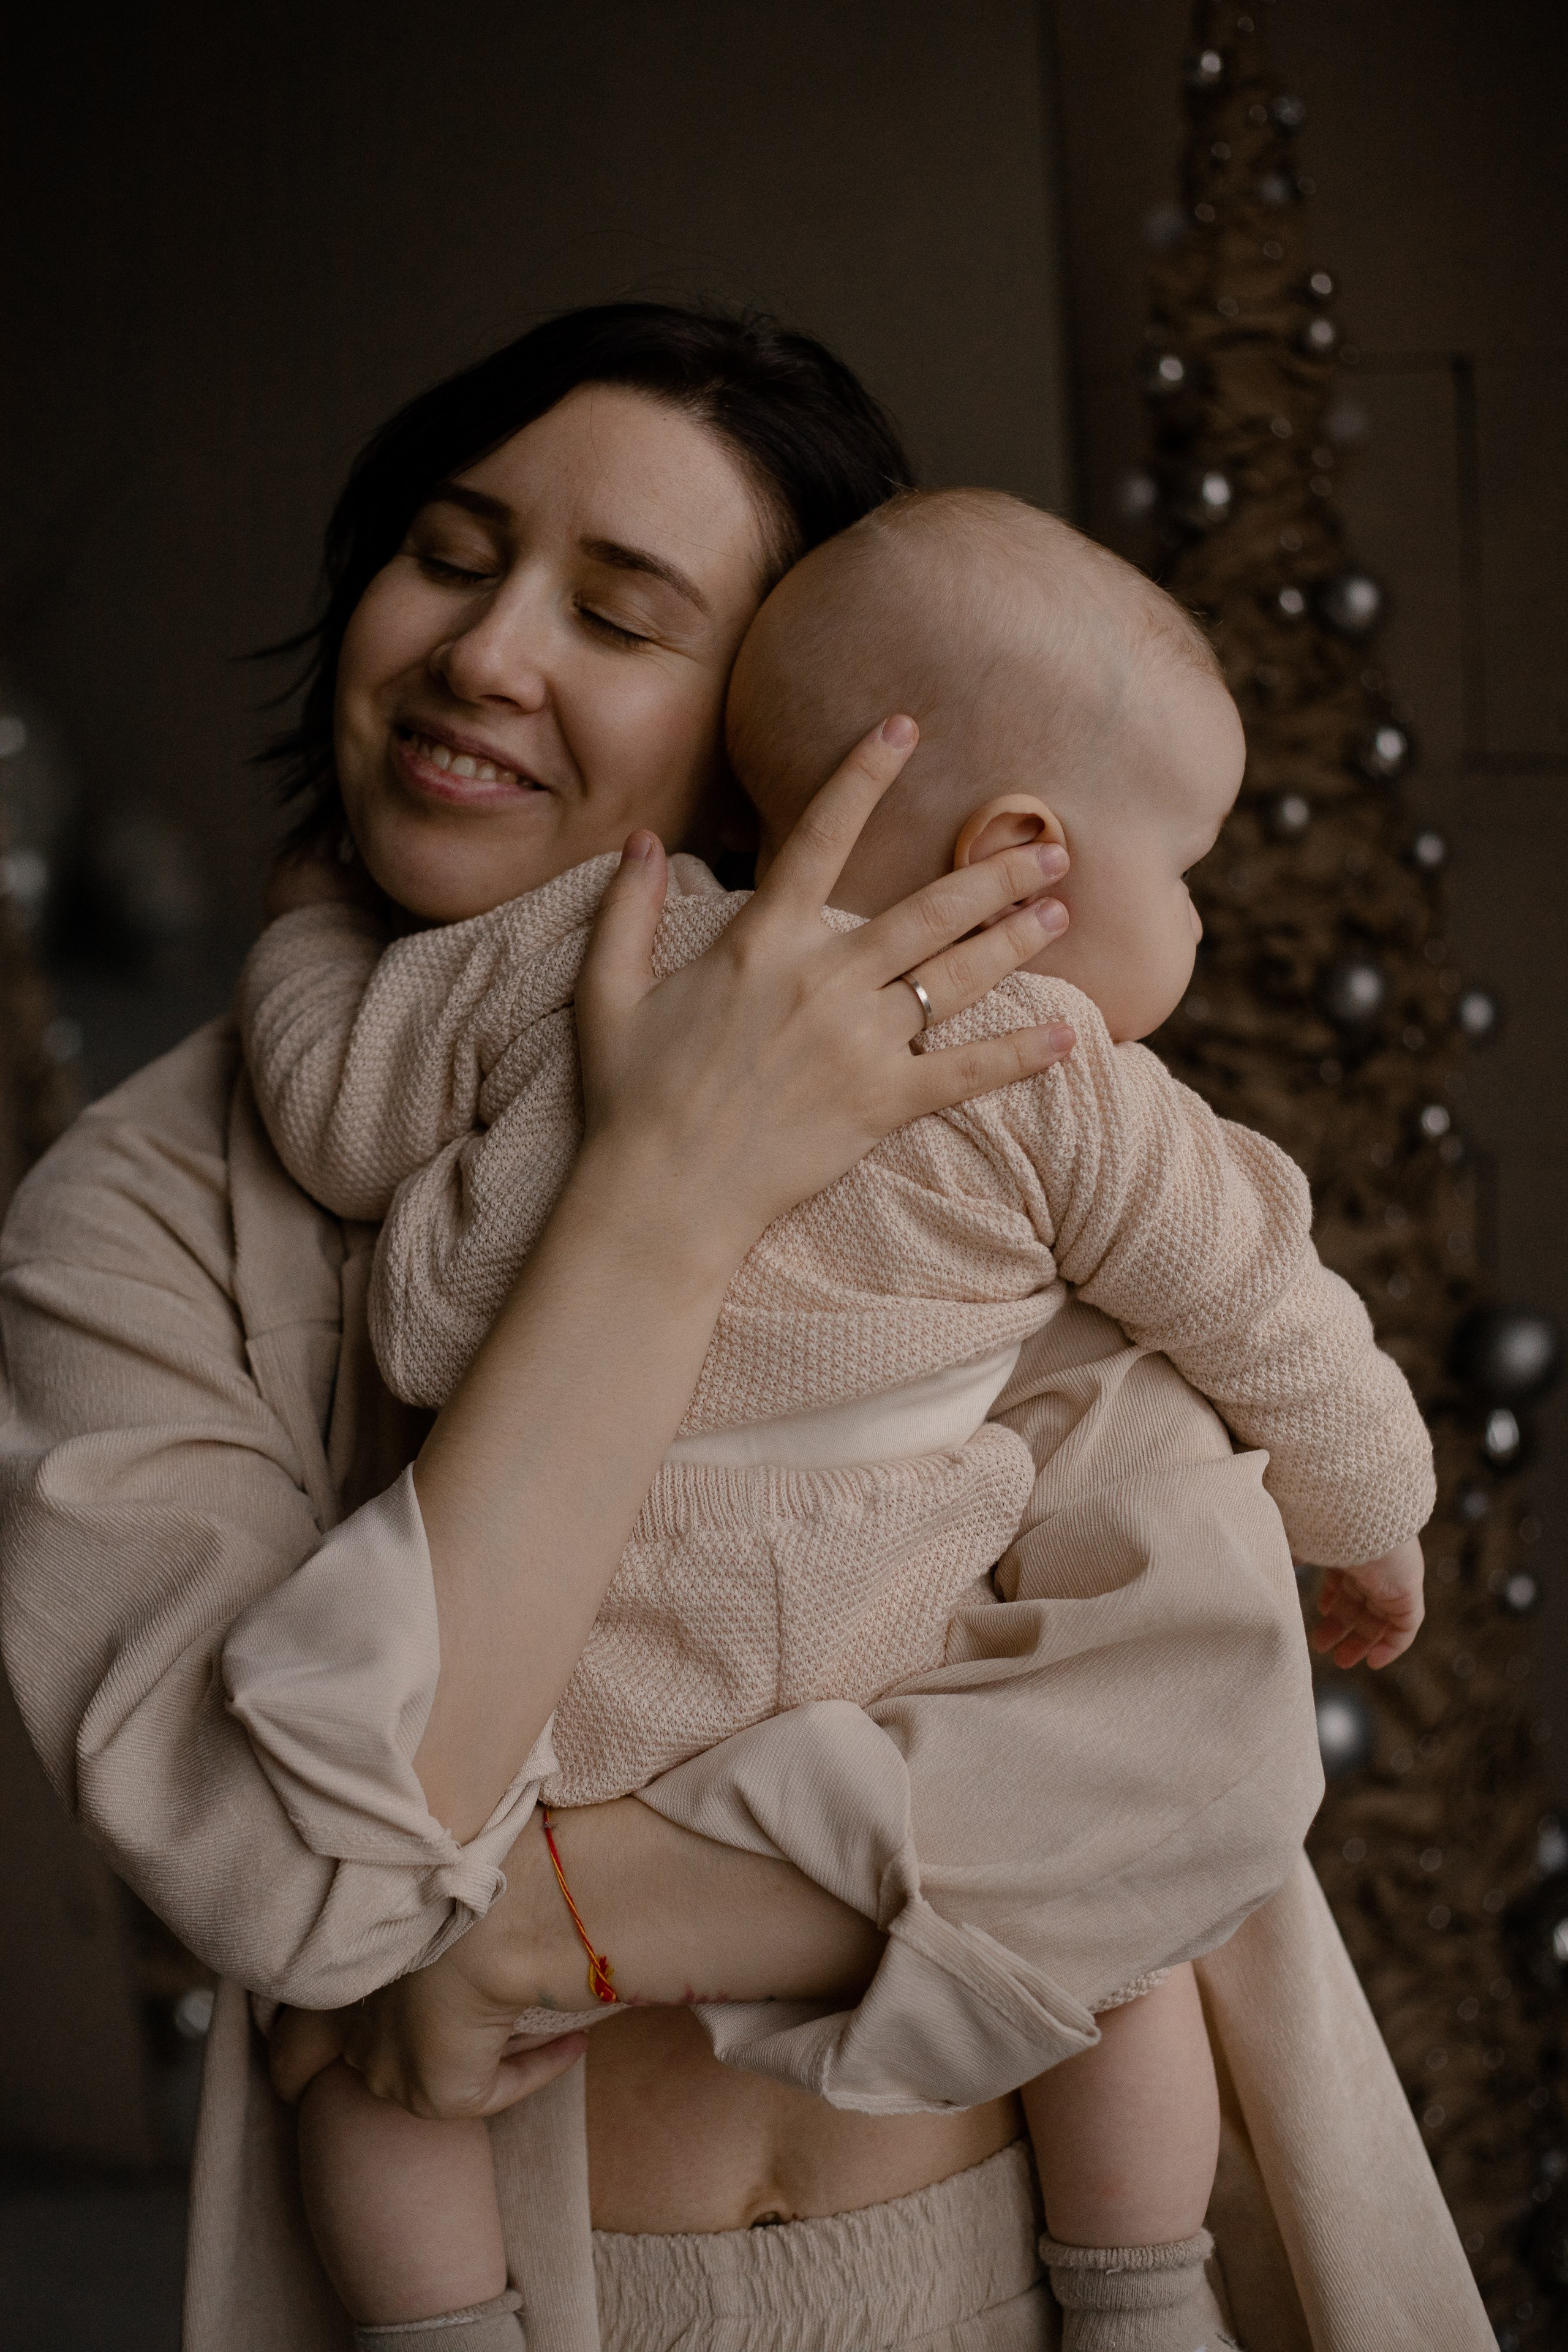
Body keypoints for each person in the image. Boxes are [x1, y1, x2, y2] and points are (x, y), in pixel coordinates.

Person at [0, 307, 1491, 2352]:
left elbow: (1201, 1745)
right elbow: (299, 1885)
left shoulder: (966, 1088)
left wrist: (532, 1922)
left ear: (777, 727)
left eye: (621, 615)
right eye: (448, 552)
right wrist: (659, 1194)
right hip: (531, 2293)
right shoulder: (140, 1213)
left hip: (1010, 2267)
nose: (487, 654)